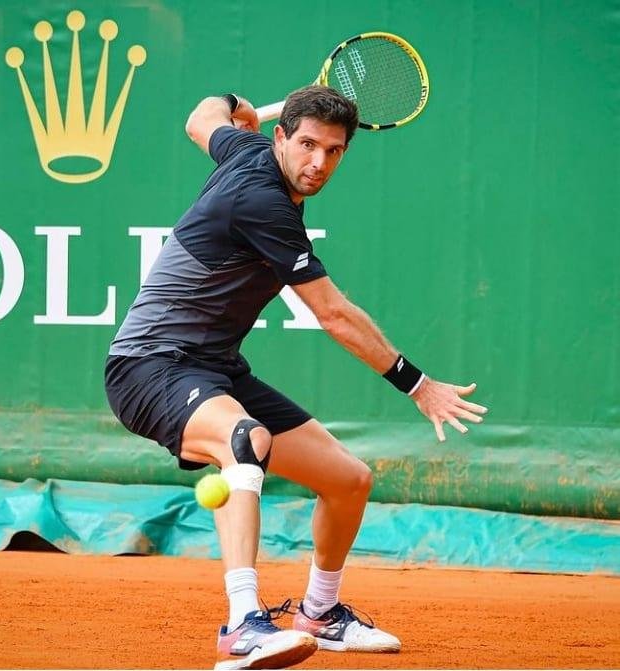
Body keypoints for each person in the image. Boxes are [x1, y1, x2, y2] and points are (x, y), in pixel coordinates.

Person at [105, 85, 488, 670]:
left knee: (348, 481)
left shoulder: (242, 148)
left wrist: (242, 106)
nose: (318, 163)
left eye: (333, 151)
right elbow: (333, 313)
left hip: (216, 368)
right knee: (245, 441)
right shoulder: (263, 203)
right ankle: (241, 626)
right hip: (149, 366)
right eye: (307, 144)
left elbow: (201, 114)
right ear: (281, 138)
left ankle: (319, 613)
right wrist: (418, 384)